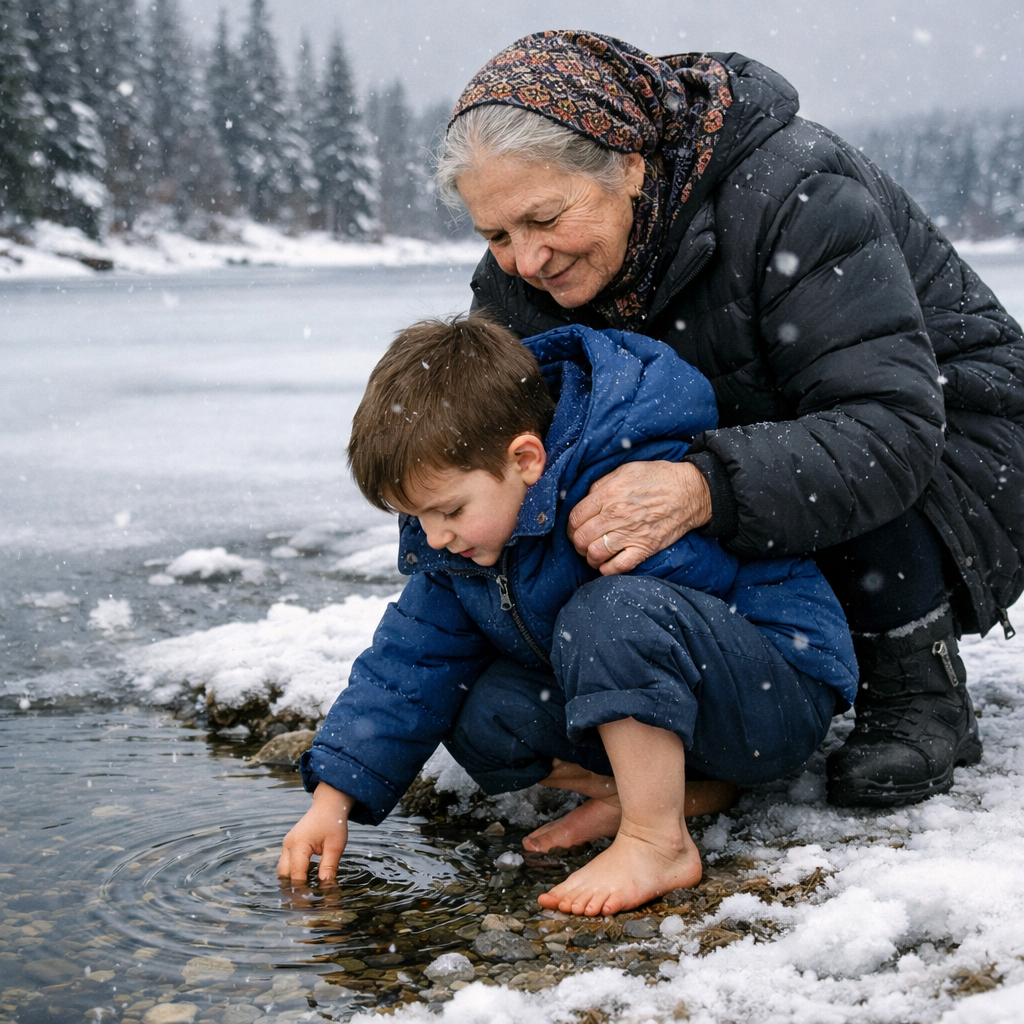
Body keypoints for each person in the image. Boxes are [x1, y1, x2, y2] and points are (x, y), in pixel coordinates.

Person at [436, 31, 1024, 808]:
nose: (526, 260)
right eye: (496, 236)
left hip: (957, 452)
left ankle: (916, 679)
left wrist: (701, 487)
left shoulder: (795, 192)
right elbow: (479, 440)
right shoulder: (519, 273)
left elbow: (889, 427)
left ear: (628, 166)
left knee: (818, 440)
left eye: (545, 219)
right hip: (768, 453)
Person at [278, 312, 857, 916]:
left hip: (770, 695)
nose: (435, 535)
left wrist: (572, 576)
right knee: (477, 710)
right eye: (417, 517)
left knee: (609, 614)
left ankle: (656, 840)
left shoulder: (625, 482)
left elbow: (682, 605)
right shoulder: (465, 546)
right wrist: (332, 799)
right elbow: (407, 663)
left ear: (526, 459)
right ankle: (665, 793)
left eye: (449, 510)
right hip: (671, 704)